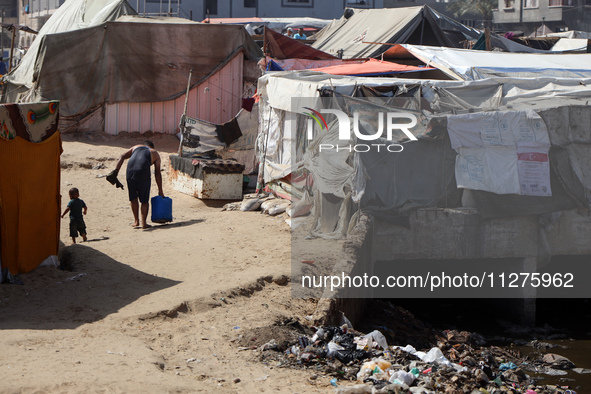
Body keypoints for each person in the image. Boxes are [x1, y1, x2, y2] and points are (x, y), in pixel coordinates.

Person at [111, 140, 165, 229]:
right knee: (144, 200)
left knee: (133, 197)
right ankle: (144, 223)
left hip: (130, 171)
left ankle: (136, 221)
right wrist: (160, 191)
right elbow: (157, 173)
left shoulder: (135, 147)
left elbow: (122, 156)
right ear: (152, 147)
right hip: (143, 173)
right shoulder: (154, 152)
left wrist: (115, 172)